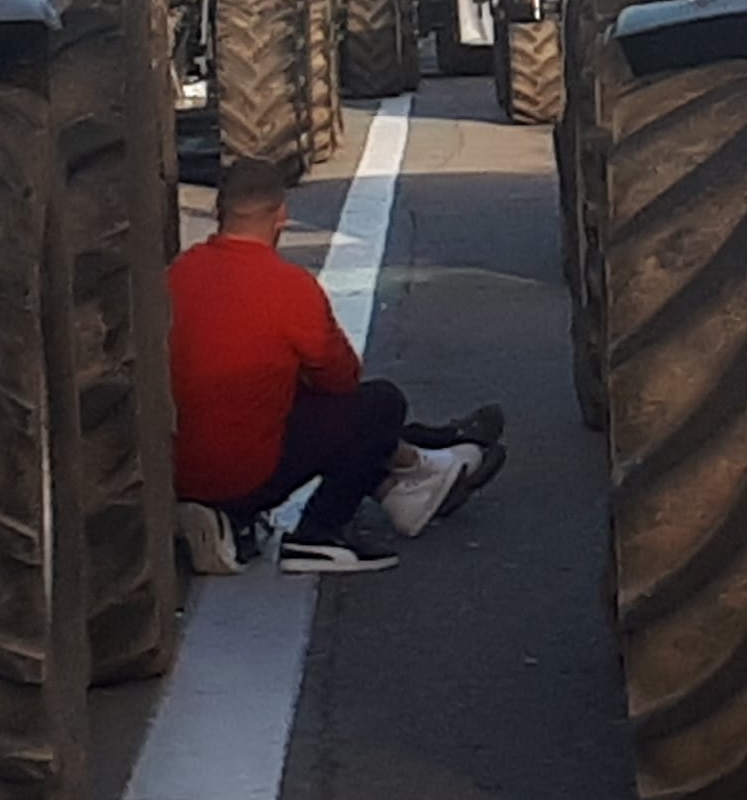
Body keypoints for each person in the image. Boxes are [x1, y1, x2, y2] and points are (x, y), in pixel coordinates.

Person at [169, 158, 506, 574]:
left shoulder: (178, 275)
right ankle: (319, 533)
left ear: (219, 212)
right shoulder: (290, 288)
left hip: (180, 468)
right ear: (281, 216)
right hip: (247, 476)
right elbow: (342, 380)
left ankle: (420, 458)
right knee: (379, 405)